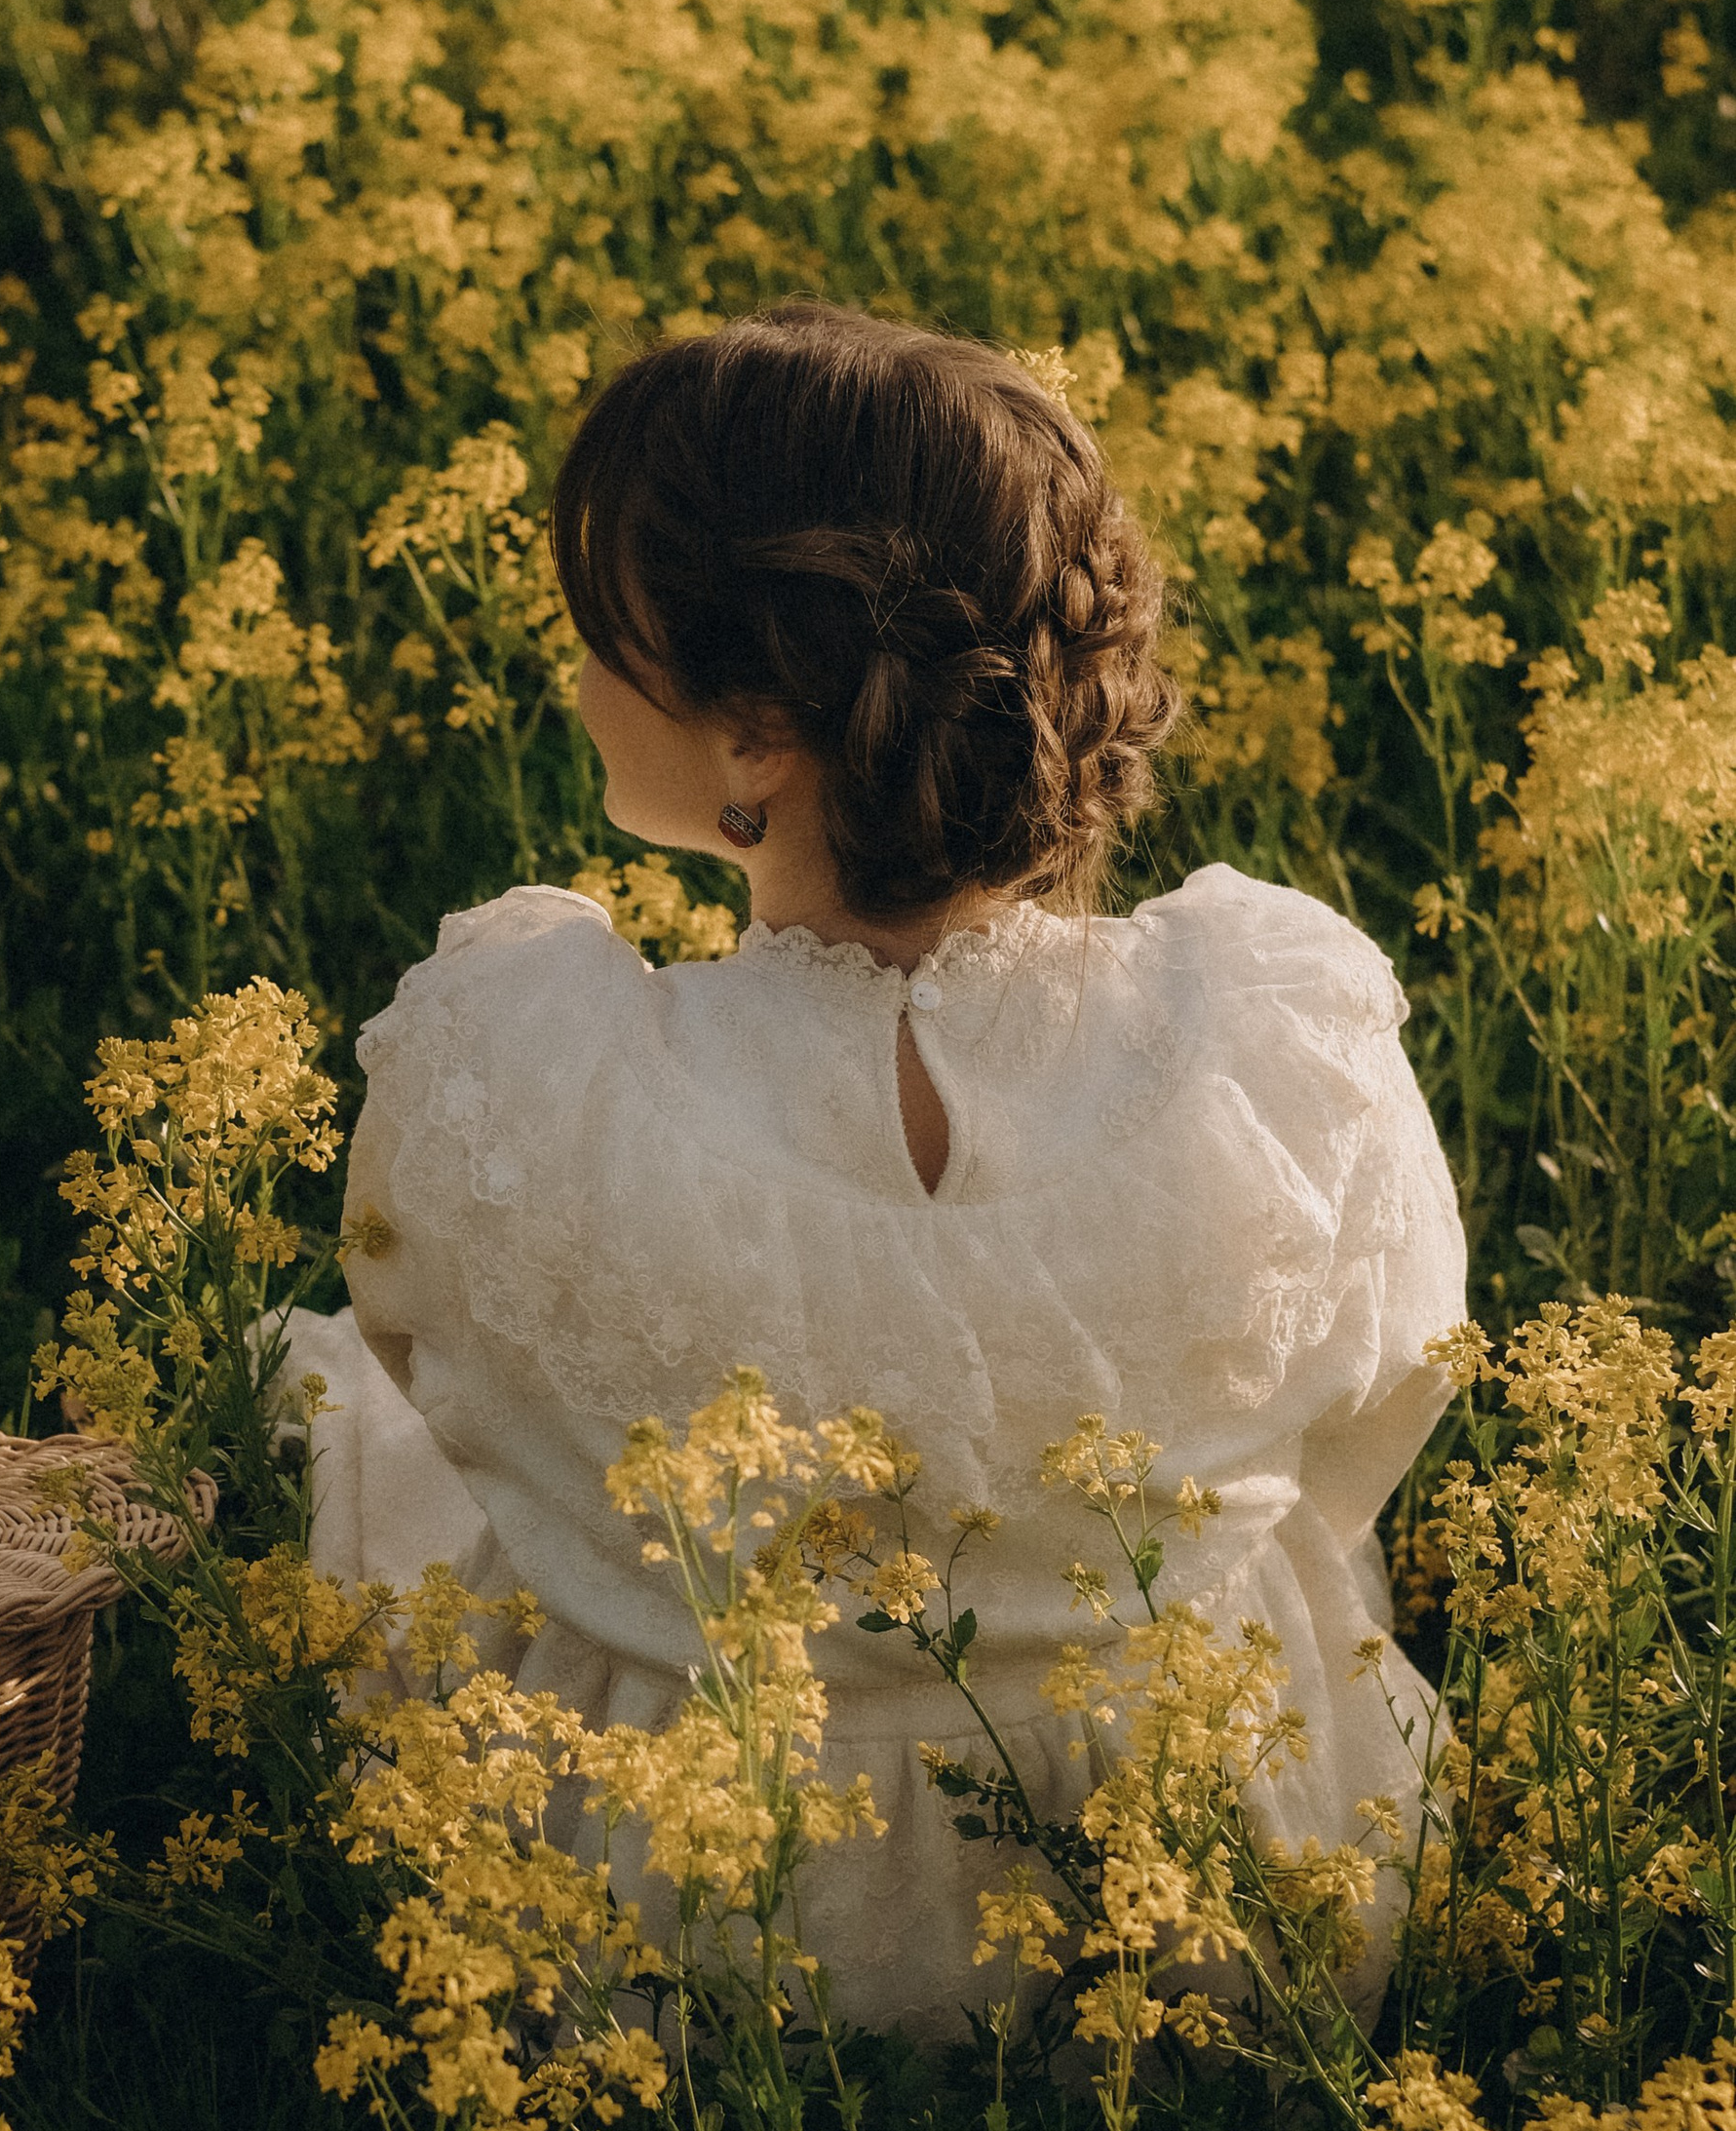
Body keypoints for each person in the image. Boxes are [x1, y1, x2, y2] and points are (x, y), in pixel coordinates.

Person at [279, 303, 1467, 2037]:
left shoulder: (536, 1082)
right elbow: (1381, 1400)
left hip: (701, 1921)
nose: (573, 677)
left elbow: (455, 1378)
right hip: (1214, 1884)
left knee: (363, 1444)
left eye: (602, 636)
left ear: (755, 738)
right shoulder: (1269, 1038)